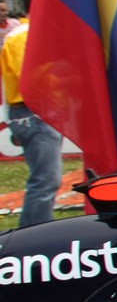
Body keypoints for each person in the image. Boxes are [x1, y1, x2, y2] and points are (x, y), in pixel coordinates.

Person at [1, 21, 62, 227]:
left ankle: (32, 234)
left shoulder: (29, 34)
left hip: (35, 110)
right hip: (34, 111)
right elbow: (29, 79)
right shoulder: (24, 35)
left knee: (46, 179)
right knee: (46, 180)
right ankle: (35, 236)